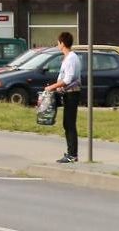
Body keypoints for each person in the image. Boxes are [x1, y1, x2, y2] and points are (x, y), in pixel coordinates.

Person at [44, 32, 81, 164]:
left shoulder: (71, 58)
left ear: (63, 43)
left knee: (69, 124)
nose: (57, 45)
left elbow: (68, 79)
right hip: (67, 93)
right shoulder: (67, 57)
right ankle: (71, 153)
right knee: (67, 123)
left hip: (72, 94)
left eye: (58, 42)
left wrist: (52, 87)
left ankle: (72, 154)